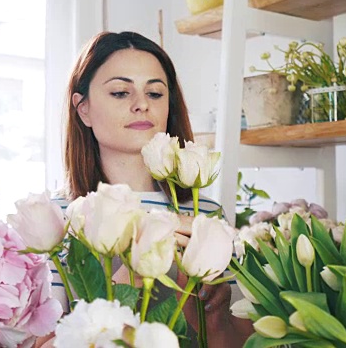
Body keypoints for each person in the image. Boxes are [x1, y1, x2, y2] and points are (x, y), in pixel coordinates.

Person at [36, 31, 253, 347]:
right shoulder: (54, 218)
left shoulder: (204, 213)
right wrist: (133, 274)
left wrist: (214, 317)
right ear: (83, 109)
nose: (141, 105)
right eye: (121, 93)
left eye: (155, 94)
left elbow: (238, 340)